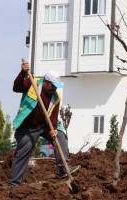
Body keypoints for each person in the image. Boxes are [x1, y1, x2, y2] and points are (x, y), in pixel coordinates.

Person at [8, 59, 80, 187]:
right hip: (28, 127)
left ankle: (65, 169)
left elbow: (53, 114)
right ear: (46, 82)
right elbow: (16, 87)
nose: (54, 89)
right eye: (53, 86)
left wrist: (53, 129)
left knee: (60, 136)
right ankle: (13, 184)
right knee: (23, 151)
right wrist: (22, 73)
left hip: (45, 125)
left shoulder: (55, 96)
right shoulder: (33, 82)